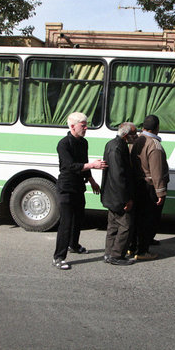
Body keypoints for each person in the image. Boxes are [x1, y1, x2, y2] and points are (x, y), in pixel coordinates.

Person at [52, 112, 107, 270]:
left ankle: (73, 245)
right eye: (83, 125)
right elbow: (70, 166)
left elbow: (83, 164)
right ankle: (58, 257)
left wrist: (92, 181)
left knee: (78, 219)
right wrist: (92, 165)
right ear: (72, 126)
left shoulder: (83, 142)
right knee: (66, 223)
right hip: (66, 187)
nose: (86, 128)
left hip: (78, 186)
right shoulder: (63, 144)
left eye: (86, 125)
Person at [129, 115, 169, 261]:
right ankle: (143, 251)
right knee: (148, 219)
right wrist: (160, 192)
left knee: (137, 218)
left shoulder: (135, 140)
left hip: (137, 184)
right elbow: (156, 171)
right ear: (157, 128)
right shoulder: (154, 144)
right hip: (150, 186)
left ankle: (131, 247)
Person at [101, 122, 138, 266]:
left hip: (112, 194)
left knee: (113, 226)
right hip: (117, 196)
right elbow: (118, 176)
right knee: (125, 225)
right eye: (134, 134)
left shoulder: (113, 144)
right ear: (125, 135)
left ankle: (109, 253)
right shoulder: (117, 147)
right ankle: (116, 255)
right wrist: (126, 199)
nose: (136, 136)